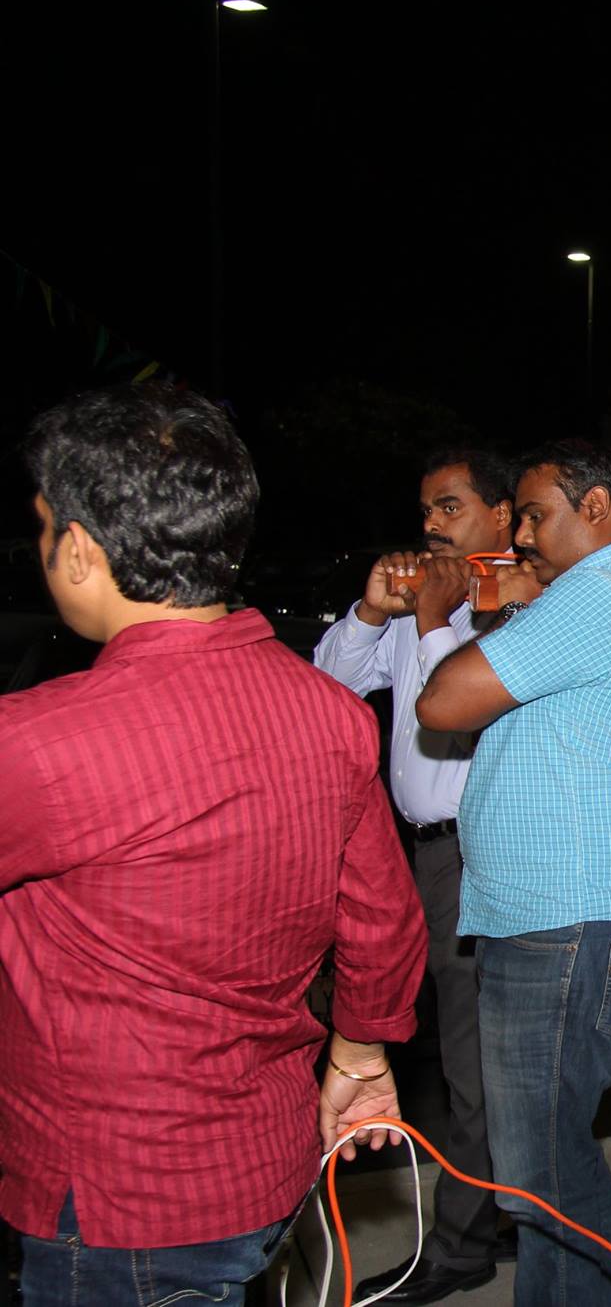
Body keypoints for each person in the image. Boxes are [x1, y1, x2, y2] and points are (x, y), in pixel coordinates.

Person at [0, 387, 427, 1305]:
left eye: (42, 528)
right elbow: (385, 923)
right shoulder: (330, 713)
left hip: (121, 1202)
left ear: (79, 548)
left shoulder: (39, 743)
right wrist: (360, 1057)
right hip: (264, 1168)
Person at [416, 441, 611, 1307]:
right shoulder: (598, 596)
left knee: (540, 1170)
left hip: (571, 919)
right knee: (543, 1166)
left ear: (596, 508)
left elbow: (443, 700)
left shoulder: (598, 594)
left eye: (535, 515)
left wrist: (434, 617)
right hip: (561, 915)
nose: (522, 536)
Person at [315, 450, 520, 1303]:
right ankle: (505, 1204)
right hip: (417, 851)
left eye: (451, 505)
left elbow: (459, 696)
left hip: (477, 850)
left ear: (505, 515)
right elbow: (328, 686)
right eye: (426, 508)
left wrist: (435, 611)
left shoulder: (517, 599)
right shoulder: (419, 598)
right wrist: (370, 609)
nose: (431, 522)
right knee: (446, 1043)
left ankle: (464, 1240)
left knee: (473, 1058)